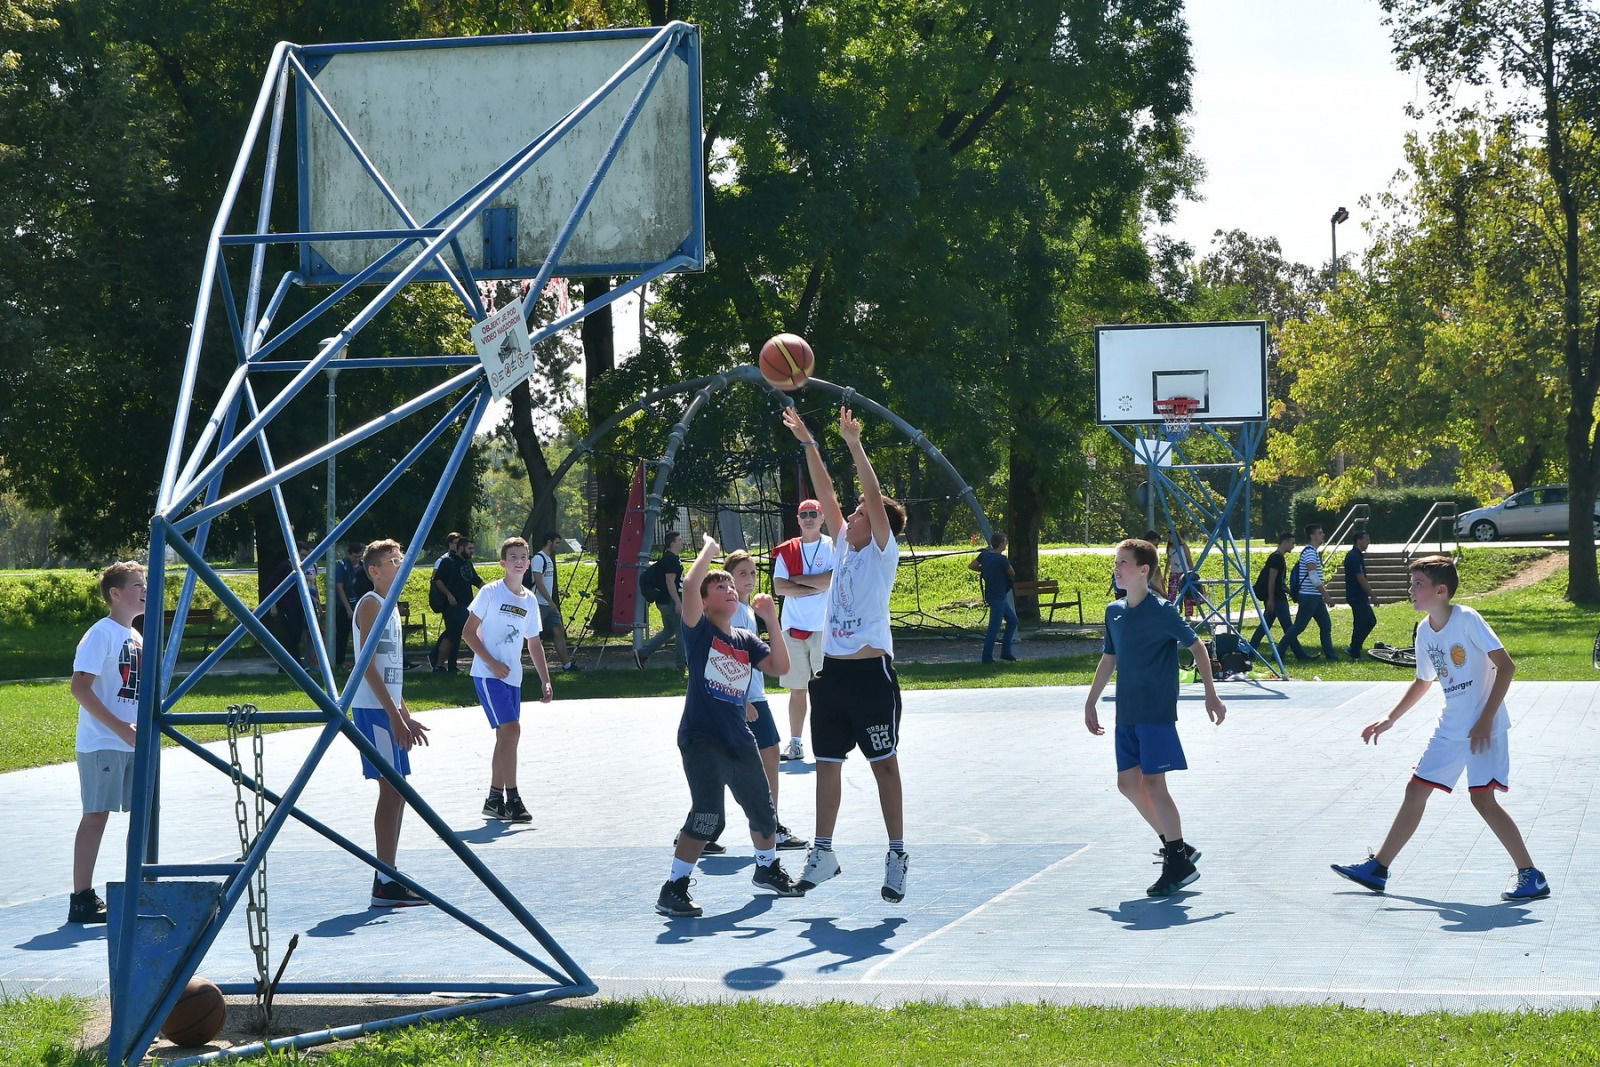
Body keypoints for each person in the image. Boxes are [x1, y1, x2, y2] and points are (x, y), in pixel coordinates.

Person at [1331, 555, 1549, 901]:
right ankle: (1378, 868)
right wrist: (1391, 718)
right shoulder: (1422, 631)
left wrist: (1486, 718)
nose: (1410, 589)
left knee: (1483, 800)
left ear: (1441, 590)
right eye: (1411, 582)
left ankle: (1531, 875)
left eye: (1418, 584)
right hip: (1451, 727)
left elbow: (1507, 667)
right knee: (1416, 790)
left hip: (1485, 727)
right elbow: (1423, 681)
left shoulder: (1467, 619)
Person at [780, 405, 910, 903]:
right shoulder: (841, 550)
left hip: (871, 677)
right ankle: (823, 852)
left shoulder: (882, 549)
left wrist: (855, 442)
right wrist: (808, 440)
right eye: (851, 515)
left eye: (856, 515)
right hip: (832, 676)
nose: (848, 516)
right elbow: (827, 490)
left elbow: (871, 497)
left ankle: (897, 854)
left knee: (884, 766)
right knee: (827, 764)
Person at [655, 534, 801, 917]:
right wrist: (710, 552)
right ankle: (674, 888)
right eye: (719, 586)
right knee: (707, 815)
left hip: (739, 738)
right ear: (703, 603)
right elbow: (688, 584)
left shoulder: (746, 639)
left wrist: (771, 619)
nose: (729, 589)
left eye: (731, 585)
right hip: (702, 738)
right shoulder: (699, 631)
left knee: (763, 811)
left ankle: (767, 869)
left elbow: (781, 668)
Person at [1083, 538, 1227, 897]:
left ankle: (1177, 862)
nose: (1117, 569)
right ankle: (1178, 846)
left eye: (1123, 563)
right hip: (1126, 713)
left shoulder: (1162, 610)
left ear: (1144, 570)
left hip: (1155, 713)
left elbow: (1197, 647)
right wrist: (1090, 702)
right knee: (1127, 784)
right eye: (1116, 563)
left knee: (1154, 785)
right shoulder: (1113, 611)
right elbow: (1109, 659)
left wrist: (1211, 692)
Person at [352, 539, 432, 907]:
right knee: (392, 789)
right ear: (374, 571)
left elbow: (391, 668)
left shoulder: (391, 607)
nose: (401, 565)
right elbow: (367, 667)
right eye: (392, 561)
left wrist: (405, 711)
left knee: (397, 790)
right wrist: (392, 714)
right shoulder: (370, 605)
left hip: (387, 709)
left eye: (401, 559)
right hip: (372, 710)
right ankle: (385, 880)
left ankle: (389, 871)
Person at [67, 561, 146, 923]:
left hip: (131, 741)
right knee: (97, 815)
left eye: (144, 583)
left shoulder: (136, 637)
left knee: (143, 818)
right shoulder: (101, 633)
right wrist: (120, 728)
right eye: (135, 584)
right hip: (104, 741)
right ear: (115, 594)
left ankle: (137, 888)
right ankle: (82, 898)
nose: (143, 590)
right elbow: (79, 688)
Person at [464, 536, 554, 824]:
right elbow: (468, 633)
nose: (519, 561)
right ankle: (513, 798)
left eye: (523, 556)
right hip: (489, 675)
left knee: (506, 737)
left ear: (528, 563)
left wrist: (545, 680)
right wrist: (492, 663)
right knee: (512, 730)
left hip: (512, 678)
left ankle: (493, 800)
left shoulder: (529, 601)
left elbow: (534, 643)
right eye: (513, 556)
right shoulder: (490, 593)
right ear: (503, 563)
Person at [726, 549, 809, 851]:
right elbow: (729, 658)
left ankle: (701, 826)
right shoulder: (733, 611)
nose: (749, 578)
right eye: (742, 573)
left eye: (752, 572)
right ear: (729, 578)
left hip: (752, 694)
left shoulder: (747, 611)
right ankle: (769, 826)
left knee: (761, 757)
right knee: (766, 757)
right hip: (744, 698)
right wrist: (742, 700)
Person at [772, 499, 834, 761]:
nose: (808, 518)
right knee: (797, 689)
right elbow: (780, 587)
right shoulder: (789, 550)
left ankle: (829, 740)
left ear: (822, 518)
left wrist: (798, 581)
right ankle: (795, 743)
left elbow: (831, 581)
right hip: (792, 627)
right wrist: (814, 586)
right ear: (798, 520)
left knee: (827, 689)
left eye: (813, 514)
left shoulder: (832, 547)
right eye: (804, 514)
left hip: (823, 627)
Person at [1285, 523, 1339, 660]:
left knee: (1326, 625)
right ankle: (1278, 651)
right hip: (1309, 596)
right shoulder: (1309, 552)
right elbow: (1313, 576)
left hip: (1315, 597)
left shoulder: (1313, 552)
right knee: (1298, 627)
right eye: (1320, 533)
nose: (1323, 535)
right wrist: (1326, 595)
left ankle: (1331, 656)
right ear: (1312, 536)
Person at [523, 531, 576, 672]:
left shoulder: (548, 559)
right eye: (557, 542)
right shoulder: (539, 559)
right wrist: (551, 601)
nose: (558, 545)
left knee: (558, 631)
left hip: (548, 604)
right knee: (531, 635)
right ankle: (513, 663)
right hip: (538, 604)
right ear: (549, 542)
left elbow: (546, 582)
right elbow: (539, 583)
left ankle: (567, 665)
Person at [430, 534, 483, 672]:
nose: (472, 551)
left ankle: (452, 666)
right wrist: (449, 595)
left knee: (458, 635)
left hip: (466, 605)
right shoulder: (448, 562)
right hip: (452, 606)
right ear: (460, 548)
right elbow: (438, 580)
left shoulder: (467, 564)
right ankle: (438, 665)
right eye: (469, 548)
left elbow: (476, 580)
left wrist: (492, 590)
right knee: (451, 635)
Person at [1249, 532, 1307, 659]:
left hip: (1277, 597)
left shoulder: (1278, 557)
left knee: (1264, 627)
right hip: (1277, 599)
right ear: (1285, 542)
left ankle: (1250, 652)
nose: (1293, 546)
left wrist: (1290, 591)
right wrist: (1270, 599)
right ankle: (1299, 655)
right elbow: (1271, 580)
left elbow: (1279, 582)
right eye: (1292, 543)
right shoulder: (1276, 558)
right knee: (1289, 628)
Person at [637, 531, 687, 670]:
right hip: (669, 600)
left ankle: (642, 654)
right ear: (672, 543)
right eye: (680, 540)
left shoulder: (672, 558)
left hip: (664, 601)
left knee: (669, 630)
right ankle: (681, 664)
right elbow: (670, 582)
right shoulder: (670, 559)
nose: (682, 542)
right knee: (681, 630)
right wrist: (678, 602)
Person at [969, 533, 1017, 664]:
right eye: (1005, 541)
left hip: (992, 594)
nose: (1006, 543)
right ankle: (987, 658)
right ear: (1001, 544)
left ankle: (1006, 652)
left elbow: (972, 566)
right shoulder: (1001, 559)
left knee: (1012, 621)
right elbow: (1011, 572)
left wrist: (985, 570)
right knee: (994, 628)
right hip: (998, 596)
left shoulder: (984, 555)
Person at [1343, 529, 1378, 660]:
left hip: (1358, 595)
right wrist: (1372, 595)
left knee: (1364, 622)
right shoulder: (1354, 556)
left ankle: (1354, 648)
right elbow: (1360, 578)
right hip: (1356, 595)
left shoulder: (1356, 555)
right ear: (1359, 541)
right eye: (1366, 539)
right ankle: (1354, 649)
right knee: (1366, 621)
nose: (1368, 542)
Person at [334, 543, 364, 669]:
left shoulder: (363, 566)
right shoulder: (342, 566)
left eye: (359, 556)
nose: (357, 559)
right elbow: (339, 587)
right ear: (349, 554)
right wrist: (348, 609)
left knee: (361, 635)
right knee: (342, 635)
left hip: (360, 604)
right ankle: (340, 661)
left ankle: (362, 661)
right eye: (355, 557)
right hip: (345, 606)